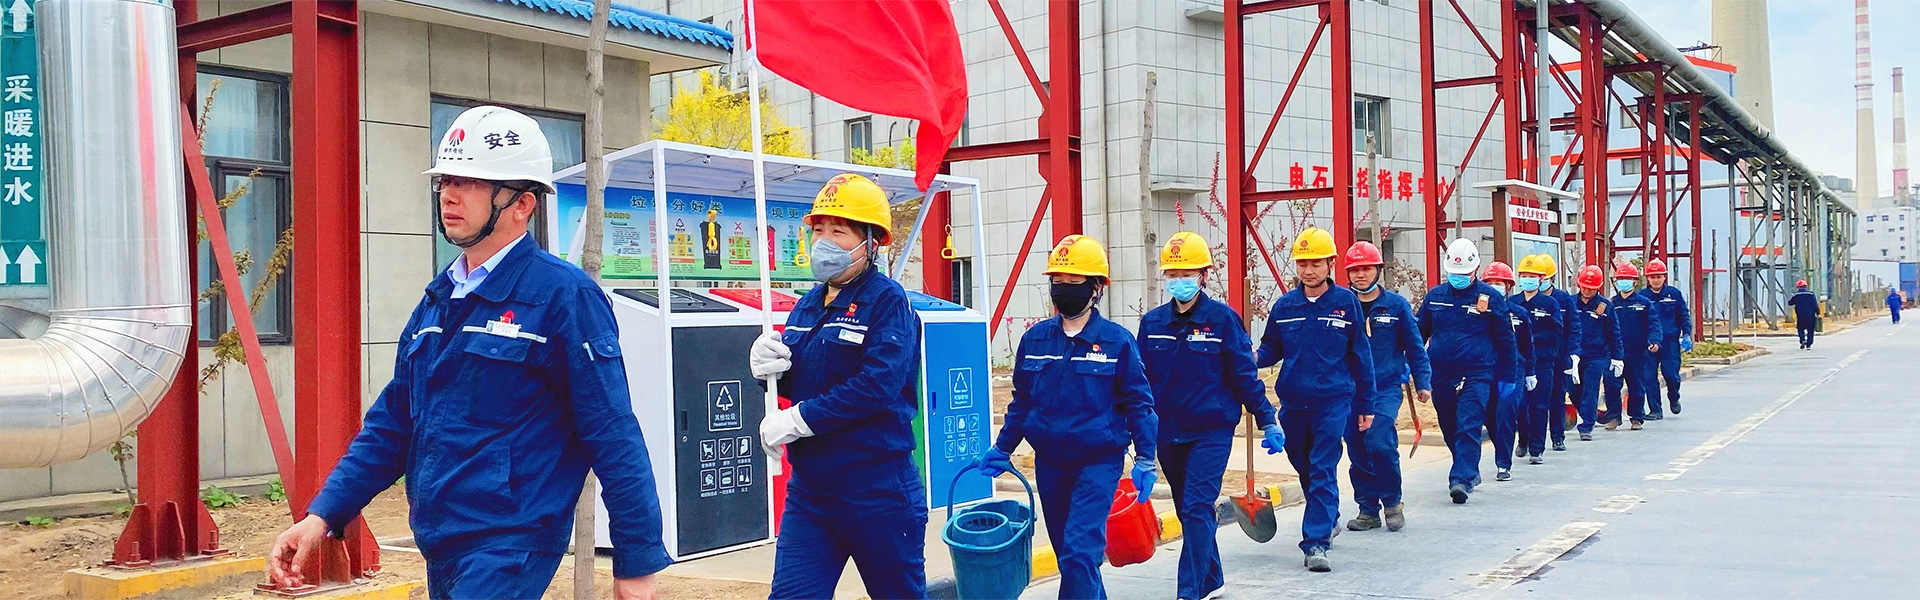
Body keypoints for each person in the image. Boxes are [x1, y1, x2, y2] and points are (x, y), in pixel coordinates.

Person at [266, 106, 668, 600]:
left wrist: (636, 562)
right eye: (446, 181)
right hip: (442, 544)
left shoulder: (564, 298)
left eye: (472, 182)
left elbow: (612, 432)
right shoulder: (439, 300)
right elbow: (393, 425)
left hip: (510, 543)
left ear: (522, 204)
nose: (450, 194)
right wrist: (323, 515)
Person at [749, 173, 929, 599]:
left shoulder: (888, 302)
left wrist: (797, 419)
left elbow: (876, 386)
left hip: (878, 492)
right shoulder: (808, 304)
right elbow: (804, 378)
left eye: (839, 231)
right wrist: (766, 371)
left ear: (870, 242)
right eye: (819, 230)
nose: (824, 241)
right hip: (811, 493)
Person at [979, 234, 1158, 599]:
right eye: (1057, 280)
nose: (1062, 288)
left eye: (1073, 280)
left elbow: (1139, 404)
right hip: (1050, 463)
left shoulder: (1117, 341)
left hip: (1097, 463)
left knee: (1080, 554)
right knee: (1069, 557)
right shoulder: (1035, 340)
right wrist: (1002, 448)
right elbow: (1022, 402)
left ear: (1096, 288)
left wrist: (1146, 457)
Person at [1137, 231, 1281, 600]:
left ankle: (1188, 592)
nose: (1179, 280)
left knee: (1197, 506)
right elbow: (1138, 383)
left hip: (1210, 432)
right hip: (1168, 432)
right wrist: (1133, 431)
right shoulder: (1152, 324)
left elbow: (1244, 376)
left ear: (1203, 275)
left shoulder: (1223, 321)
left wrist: (1267, 419)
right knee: (1190, 512)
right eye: (1173, 274)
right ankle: (1212, 578)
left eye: (1187, 273)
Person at [1254, 227, 1373, 572]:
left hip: (1332, 402)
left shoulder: (1346, 304)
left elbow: (1360, 356)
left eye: (1316, 263)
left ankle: (1316, 542)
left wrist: (1366, 404)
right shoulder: (1284, 306)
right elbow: (1271, 348)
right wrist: (1250, 357)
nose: (1309, 270)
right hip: (1293, 404)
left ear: (1331, 264)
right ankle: (1328, 513)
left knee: (1322, 467)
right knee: (1304, 466)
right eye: (1303, 263)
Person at [1417, 239, 1515, 505]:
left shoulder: (1491, 298)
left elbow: (1506, 340)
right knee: (1449, 425)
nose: (1458, 277)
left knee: (1468, 424)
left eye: (1464, 273)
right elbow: (1419, 332)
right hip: (1441, 374)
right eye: (1453, 273)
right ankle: (1467, 467)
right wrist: (1409, 363)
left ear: (1476, 269)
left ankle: (1461, 478)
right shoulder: (1435, 297)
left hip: (1477, 374)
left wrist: (1509, 376)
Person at [1341, 241, 1430, 533]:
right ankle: (1367, 509)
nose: (1360, 275)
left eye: (1366, 269)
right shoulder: (1341, 305)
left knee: (1379, 440)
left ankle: (1392, 501)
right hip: (1350, 391)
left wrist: (1423, 382)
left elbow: (1415, 347)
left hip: (1385, 388)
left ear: (1378, 270)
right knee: (1357, 447)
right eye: (1354, 270)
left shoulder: (1396, 306)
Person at [1513, 254, 1579, 464]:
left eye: (1532, 276)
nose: (1528, 280)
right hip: (1518, 363)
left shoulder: (1550, 304)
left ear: (1541, 279)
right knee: (1520, 405)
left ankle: (1536, 449)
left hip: (1544, 361)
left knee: (1540, 406)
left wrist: (1531, 338)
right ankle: (1523, 439)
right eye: (1524, 276)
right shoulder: (1512, 303)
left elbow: (1556, 331)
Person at [1480, 261, 1533, 483]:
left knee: (1508, 412)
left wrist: (1530, 372)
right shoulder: (1478, 312)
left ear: (1508, 286)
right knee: (1490, 416)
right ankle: (1502, 446)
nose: (1494, 286)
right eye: (1490, 282)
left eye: (1499, 283)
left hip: (1513, 370)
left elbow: (1527, 345)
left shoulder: (1519, 313)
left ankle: (1503, 463)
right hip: (1485, 369)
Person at [1566, 265, 1622, 442]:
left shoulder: (1605, 306)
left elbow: (1614, 333)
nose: (1586, 290)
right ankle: (1589, 414)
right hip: (1573, 355)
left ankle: (1586, 426)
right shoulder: (1569, 303)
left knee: (1591, 390)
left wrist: (1617, 357)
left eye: (1591, 288)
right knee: (1573, 390)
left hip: (1596, 355)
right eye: (1584, 286)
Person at [1604, 262, 1662, 431]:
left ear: (1635, 281)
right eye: (1620, 279)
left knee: (1636, 386)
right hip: (1614, 353)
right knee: (1611, 384)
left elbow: (1654, 324)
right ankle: (1614, 417)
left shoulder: (1644, 303)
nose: (1623, 282)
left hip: (1637, 352)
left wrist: (1654, 341)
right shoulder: (1610, 304)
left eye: (1627, 279)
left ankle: (1636, 417)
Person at [1641, 260, 1692, 417]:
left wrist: (1687, 334)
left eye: (1659, 277)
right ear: (1647, 278)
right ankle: (1655, 410)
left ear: (1664, 277)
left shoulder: (1674, 294)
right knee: (1649, 377)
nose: (1656, 280)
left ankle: (1674, 397)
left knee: (1671, 375)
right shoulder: (1642, 297)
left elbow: (1683, 315)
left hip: (1669, 342)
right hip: (1649, 343)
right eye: (1652, 277)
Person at [1789, 280, 1819, 349]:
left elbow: (1790, 303)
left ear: (1798, 287)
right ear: (1806, 286)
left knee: (1800, 328)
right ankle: (1809, 344)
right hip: (1810, 314)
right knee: (1810, 329)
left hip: (1800, 314)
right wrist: (1817, 312)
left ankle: (1802, 340)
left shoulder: (1797, 295)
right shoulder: (1811, 294)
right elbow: (1814, 304)